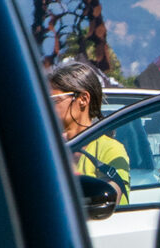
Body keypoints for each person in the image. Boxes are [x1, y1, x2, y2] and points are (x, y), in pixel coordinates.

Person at [48, 59, 129, 203]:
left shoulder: (110, 149)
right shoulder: (49, 147)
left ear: (83, 99)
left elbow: (112, 199)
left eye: (54, 101)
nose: (47, 107)